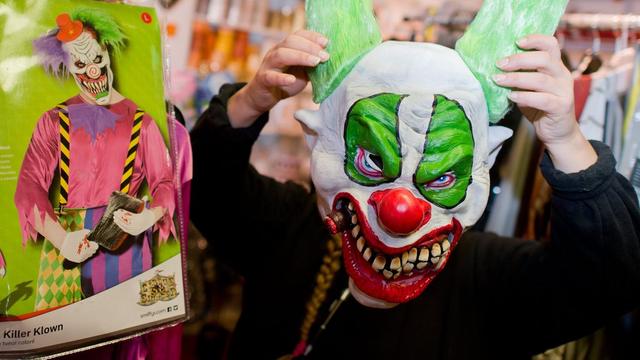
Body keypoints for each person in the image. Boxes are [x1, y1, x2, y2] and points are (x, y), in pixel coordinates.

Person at [190, 29, 640, 359]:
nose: (399, 209)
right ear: (318, 137)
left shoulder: (487, 280)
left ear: (481, 165)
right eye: (370, 163)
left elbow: (609, 278)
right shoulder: (287, 226)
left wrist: (564, 137)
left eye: (441, 179)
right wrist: (251, 100)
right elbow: (202, 188)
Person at [15, 9, 175, 311]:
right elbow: (28, 187)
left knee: (121, 336)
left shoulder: (144, 123)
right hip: (68, 246)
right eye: (81, 63)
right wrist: (61, 239)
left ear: (107, 53)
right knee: (61, 341)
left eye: (97, 59)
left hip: (125, 247)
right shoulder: (53, 120)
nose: (93, 71)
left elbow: (164, 182)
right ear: (69, 68)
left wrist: (149, 216)